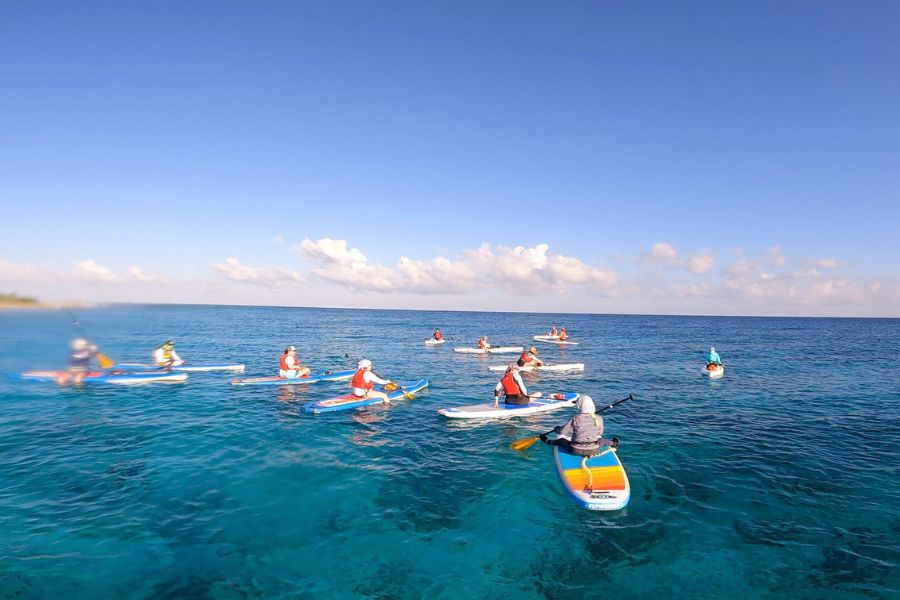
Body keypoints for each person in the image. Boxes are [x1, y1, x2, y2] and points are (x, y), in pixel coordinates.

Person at [540, 395, 619, 456]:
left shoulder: (576, 418)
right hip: (594, 450)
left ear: (580, 406)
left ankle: (546, 440)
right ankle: (613, 443)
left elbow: (561, 432)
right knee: (602, 440)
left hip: (575, 450)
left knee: (561, 441)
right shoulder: (598, 418)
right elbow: (599, 433)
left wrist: (556, 428)